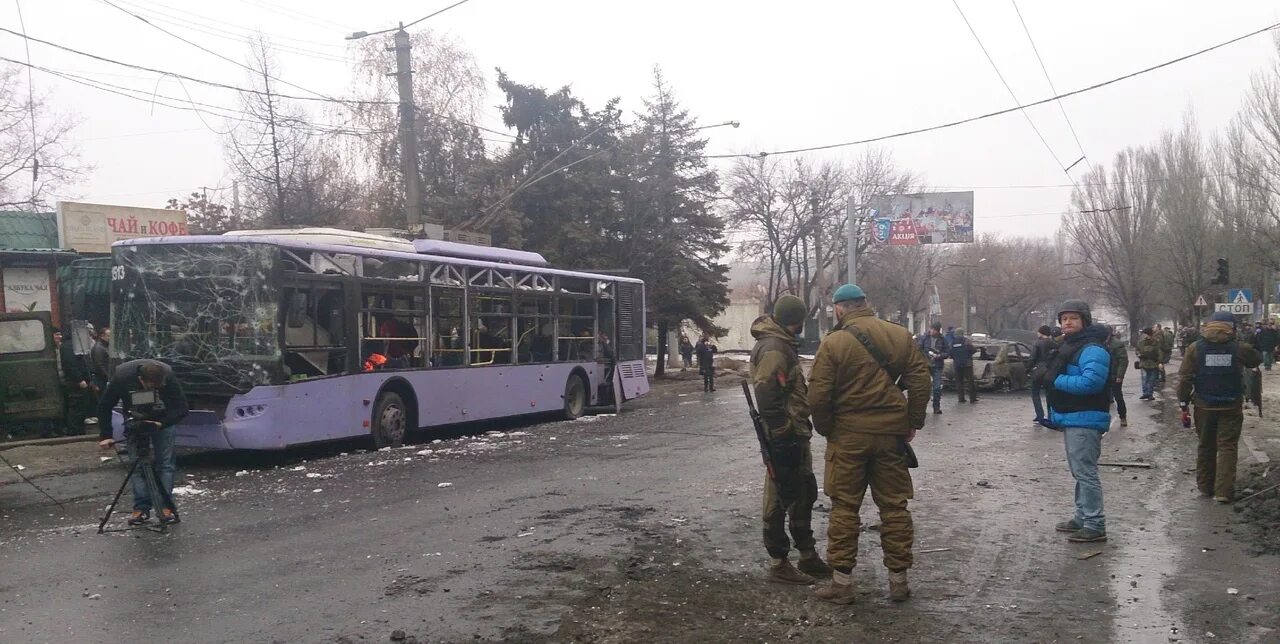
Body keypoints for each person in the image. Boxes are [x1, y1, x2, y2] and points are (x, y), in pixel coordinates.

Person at [807, 284, 931, 604]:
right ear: (865, 304)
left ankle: (842, 583)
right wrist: (912, 423)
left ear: (838, 308)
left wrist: (827, 429)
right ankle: (899, 581)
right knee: (894, 506)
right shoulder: (899, 335)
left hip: (847, 438)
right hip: (891, 437)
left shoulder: (833, 342)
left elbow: (818, 395)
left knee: (845, 507)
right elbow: (920, 380)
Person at [749, 295, 831, 585]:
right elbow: (766, 393)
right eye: (801, 320)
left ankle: (807, 555)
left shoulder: (782, 344)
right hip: (783, 436)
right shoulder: (774, 347)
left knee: (803, 491)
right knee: (779, 496)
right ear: (794, 321)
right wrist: (782, 432)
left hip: (795, 432)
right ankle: (779, 562)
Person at [1043, 300, 1112, 543]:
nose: (1067, 323)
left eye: (1073, 318)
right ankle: (1082, 517)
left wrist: (1054, 379)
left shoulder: (1092, 349)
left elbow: (1091, 383)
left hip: (1086, 418)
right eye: (1064, 319)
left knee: (1085, 472)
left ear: (1085, 320)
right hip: (1074, 416)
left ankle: (1094, 523)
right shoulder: (1072, 345)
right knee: (1079, 471)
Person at [1178, 311, 1262, 503]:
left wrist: (1183, 402)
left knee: (1206, 445)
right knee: (1227, 447)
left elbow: (1185, 378)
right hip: (1231, 406)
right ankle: (1223, 492)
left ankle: (1205, 487)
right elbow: (1256, 359)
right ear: (1232, 327)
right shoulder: (1239, 348)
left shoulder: (1195, 348)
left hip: (1204, 406)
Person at [96, 359, 190, 525]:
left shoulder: (168, 377)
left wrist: (162, 423)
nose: (155, 390)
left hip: (162, 422)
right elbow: (105, 405)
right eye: (151, 388)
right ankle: (141, 508)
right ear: (141, 380)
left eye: (158, 388)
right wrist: (106, 435)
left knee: (165, 464)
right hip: (136, 422)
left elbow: (182, 407)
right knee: (137, 465)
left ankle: (165, 506)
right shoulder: (122, 378)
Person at [58, 324, 93, 436]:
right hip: (75, 382)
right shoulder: (69, 346)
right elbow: (70, 364)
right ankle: (74, 429)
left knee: (80, 405)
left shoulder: (72, 345)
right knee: (76, 405)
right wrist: (79, 379)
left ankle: (78, 428)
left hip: (79, 380)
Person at [1027, 325, 1056, 425]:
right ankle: (1051, 416)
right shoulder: (1054, 344)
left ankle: (1040, 416)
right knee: (1049, 394)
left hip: (1038, 370)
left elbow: (1032, 358)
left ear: (1041, 332)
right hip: (1050, 370)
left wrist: (1027, 369)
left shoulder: (1038, 343)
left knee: (1035, 392)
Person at [918, 321, 947, 415]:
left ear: (938, 331)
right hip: (925, 365)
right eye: (931, 329)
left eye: (933, 329)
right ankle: (921, 407)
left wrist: (939, 356)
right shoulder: (925, 338)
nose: (931, 331)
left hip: (937, 365)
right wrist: (924, 356)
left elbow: (947, 352)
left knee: (937, 388)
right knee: (923, 387)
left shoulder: (943, 339)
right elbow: (918, 348)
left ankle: (936, 407)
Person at [1107, 326, 1129, 427]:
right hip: (1103, 375)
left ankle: (1123, 417)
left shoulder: (1117, 344)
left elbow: (1123, 361)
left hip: (1114, 375)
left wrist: (1120, 375)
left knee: (1118, 397)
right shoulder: (1099, 343)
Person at [949, 328, 977, 404]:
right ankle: (972, 398)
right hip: (967, 364)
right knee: (970, 382)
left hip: (957, 364)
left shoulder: (953, 342)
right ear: (962, 333)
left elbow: (950, 353)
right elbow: (974, 350)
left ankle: (961, 398)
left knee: (959, 382)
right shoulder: (966, 341)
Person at [1137, 328, 1162, 400]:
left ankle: (1150, 393)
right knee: (1145, 379)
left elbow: (1159, 352)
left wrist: (1160, 362)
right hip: (1144, 363)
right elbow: (1138, 350)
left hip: (1153, 363)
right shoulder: (1141, 342)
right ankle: (1145, 393)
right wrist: (1139, 354)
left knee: (1151, 379)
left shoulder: (1156, 342)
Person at [90, 326, 112, 392]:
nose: (111, 338)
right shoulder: (98, 348)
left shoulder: (105, 346)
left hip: (104, 378)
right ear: (102, 336)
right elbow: (99, 365)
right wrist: (109, 377)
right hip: (101, 379)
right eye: (109, 336)